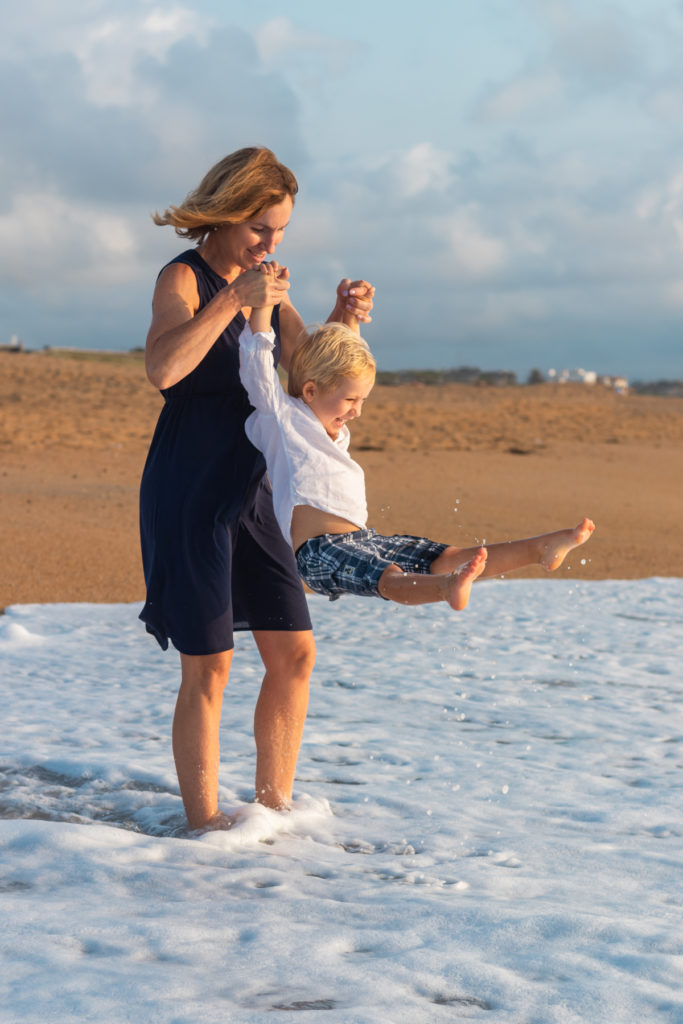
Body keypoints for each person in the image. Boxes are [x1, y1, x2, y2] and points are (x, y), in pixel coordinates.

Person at [139, 147, 375, 831]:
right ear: (222, 214)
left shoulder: (264, 278)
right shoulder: (181, 278)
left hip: (258, 489)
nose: (269, 246)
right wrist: (235, 305)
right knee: (209, 665)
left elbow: (309, 370)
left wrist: (341, 316)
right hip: (190, 486)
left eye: (279, 233)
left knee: (294, 652)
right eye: (258, 230)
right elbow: (162, 368)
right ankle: (204, 825)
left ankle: (273, 815)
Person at [238, 261, 596, 611]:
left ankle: (537, 550)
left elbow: (338, 358)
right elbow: (257, 360)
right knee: (389, 579)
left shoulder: (333, 428)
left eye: (362, 400)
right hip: (320, 553)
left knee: (446, 557)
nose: (356, 411)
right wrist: (263, 305)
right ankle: (447, 586)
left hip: (363, 541)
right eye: (350, 400)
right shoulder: (281, 418)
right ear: (312, 391)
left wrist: (348, 313)